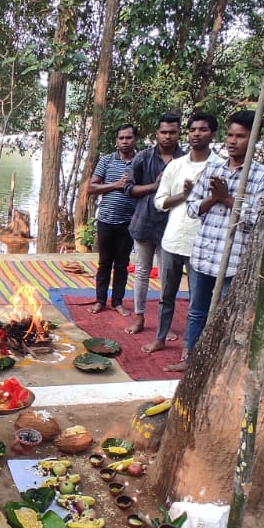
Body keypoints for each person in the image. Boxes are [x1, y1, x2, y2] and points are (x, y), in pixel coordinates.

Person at [179, 109, 264, 365]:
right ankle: (189, 357)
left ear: (254, 139)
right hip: (203, 254)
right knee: (196, 310)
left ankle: (215, 362)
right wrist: (213, 198)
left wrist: (228, 199)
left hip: (232, 260)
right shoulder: (213, 168)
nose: (232, 141)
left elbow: (255, 220)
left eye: (240, 136)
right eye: (230, 135)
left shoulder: (260, 175)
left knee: (224, 313)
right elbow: (191, 208)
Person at [143, 112, 221, 358]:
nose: (197, 134)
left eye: (203, 129)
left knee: (197, 301)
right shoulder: (175, 166)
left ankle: (190, 348)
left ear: (213, 134)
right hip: (172, 240)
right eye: (193, 129)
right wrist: (184, 196)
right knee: (166, 296)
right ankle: (160, 338)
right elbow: (159, 202)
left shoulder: (219, 167)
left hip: (202, 244)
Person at [125, 114, 183, 335]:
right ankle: (139, 318)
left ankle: (163, 324)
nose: (167, 136)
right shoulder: (143, 157)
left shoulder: (185, 160)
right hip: (144, 222)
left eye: (172, 132)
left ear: (179, 133)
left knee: (167, 276)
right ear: (157, 134)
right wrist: (155, 186)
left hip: (172, 226)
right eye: (163, 132)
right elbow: (129, 189)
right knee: (141, 272)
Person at [87, 123, 139, 315]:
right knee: (104, 263)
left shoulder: (140, 161)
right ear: (116, 141)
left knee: (122, 264)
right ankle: (100, 300)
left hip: (129, 222)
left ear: (135, 140)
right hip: (106, 220)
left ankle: (117, 301)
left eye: (128, 138)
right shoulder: (107, 161)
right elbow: (91, 188)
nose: (125, 141)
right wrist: (116, 185)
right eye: (121, 138)